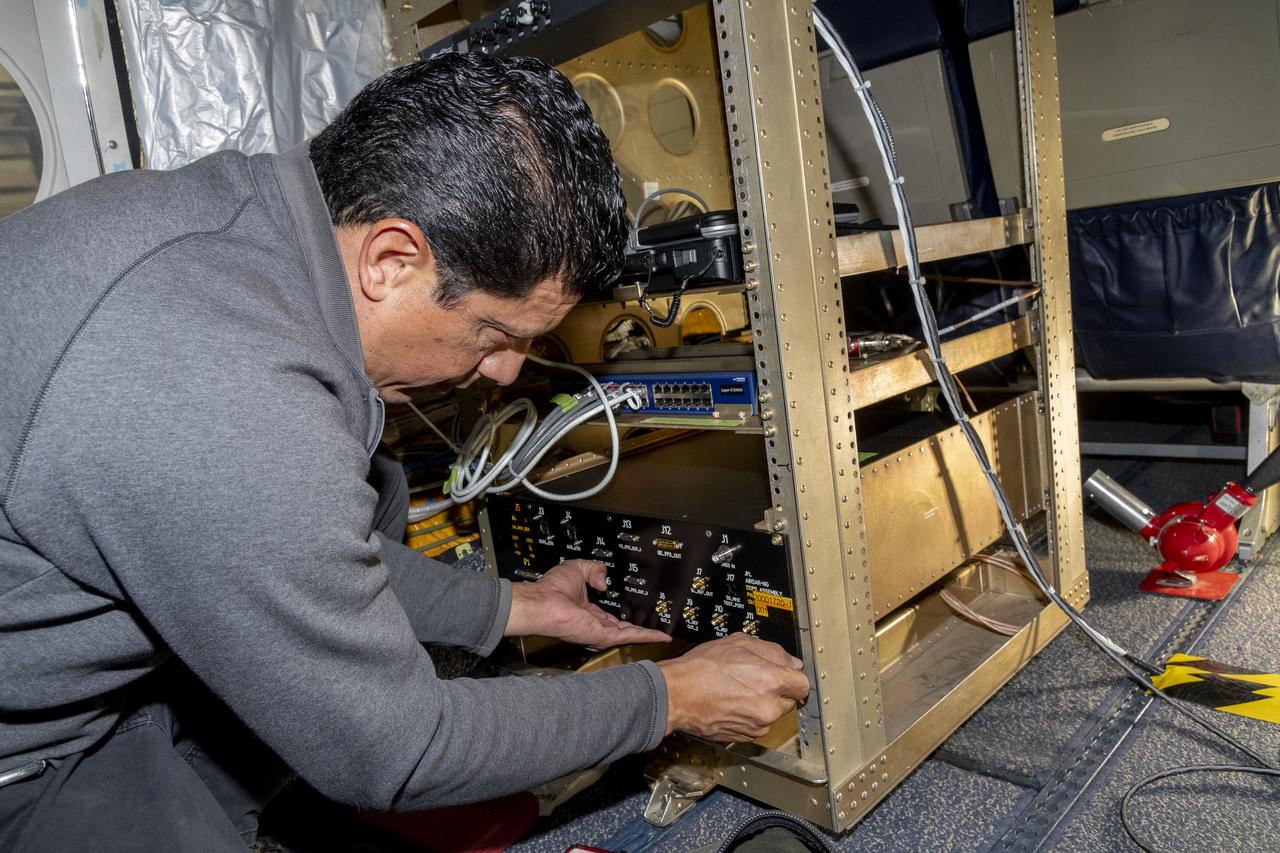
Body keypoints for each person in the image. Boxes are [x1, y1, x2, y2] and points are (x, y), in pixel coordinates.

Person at [0, 52, 810, 851]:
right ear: (392, 261)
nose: (505, 371)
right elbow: (397, 748)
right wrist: (668, 696)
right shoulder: (224, 390)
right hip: (22, 762)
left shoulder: (241, 221)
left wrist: (516, 608)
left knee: (375, 483)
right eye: (498, 333)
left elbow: (308, 551)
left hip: (62, 659)